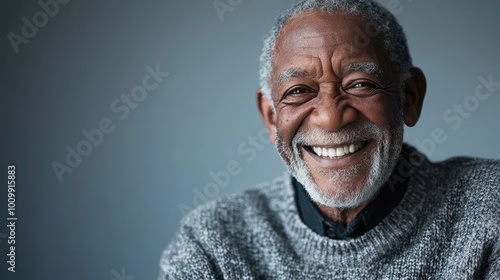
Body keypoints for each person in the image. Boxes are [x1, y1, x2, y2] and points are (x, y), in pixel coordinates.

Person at [158, 0, 500, 278]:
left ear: (408, 97)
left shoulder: (490, 210)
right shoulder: (212, 243)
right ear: (271, 117)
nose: (332, 117)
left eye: (360, 84)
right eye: (299, 91)